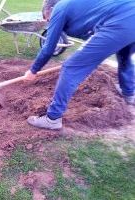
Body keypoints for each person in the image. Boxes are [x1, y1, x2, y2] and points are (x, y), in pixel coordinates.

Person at [24, 0, 135, 130]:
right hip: (129, 15)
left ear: (50, 8)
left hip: (120, 22)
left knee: (71, 67)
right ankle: (129, 94)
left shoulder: (59, 8)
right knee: (124, 56)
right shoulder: (76, 5)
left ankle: (52, 119)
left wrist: (33, 70)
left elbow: (48, 48)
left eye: (47, 18)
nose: (49, 21)